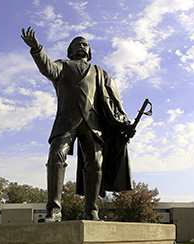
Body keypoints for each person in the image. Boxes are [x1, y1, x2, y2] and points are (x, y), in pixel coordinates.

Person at [21, 27, 135, 222]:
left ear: (89, 51)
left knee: (96, 164)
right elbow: (47, 68)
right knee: (56, 156)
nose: (82, 46)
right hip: (67, 122)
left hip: (93, 125)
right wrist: (37, 49)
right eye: (77, 44)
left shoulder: (100, 73)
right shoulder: (63, 66)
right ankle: (54, 211)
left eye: (85, 44)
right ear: (70, 51)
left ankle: (91, 211)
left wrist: (124, 123)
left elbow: (115, 102)